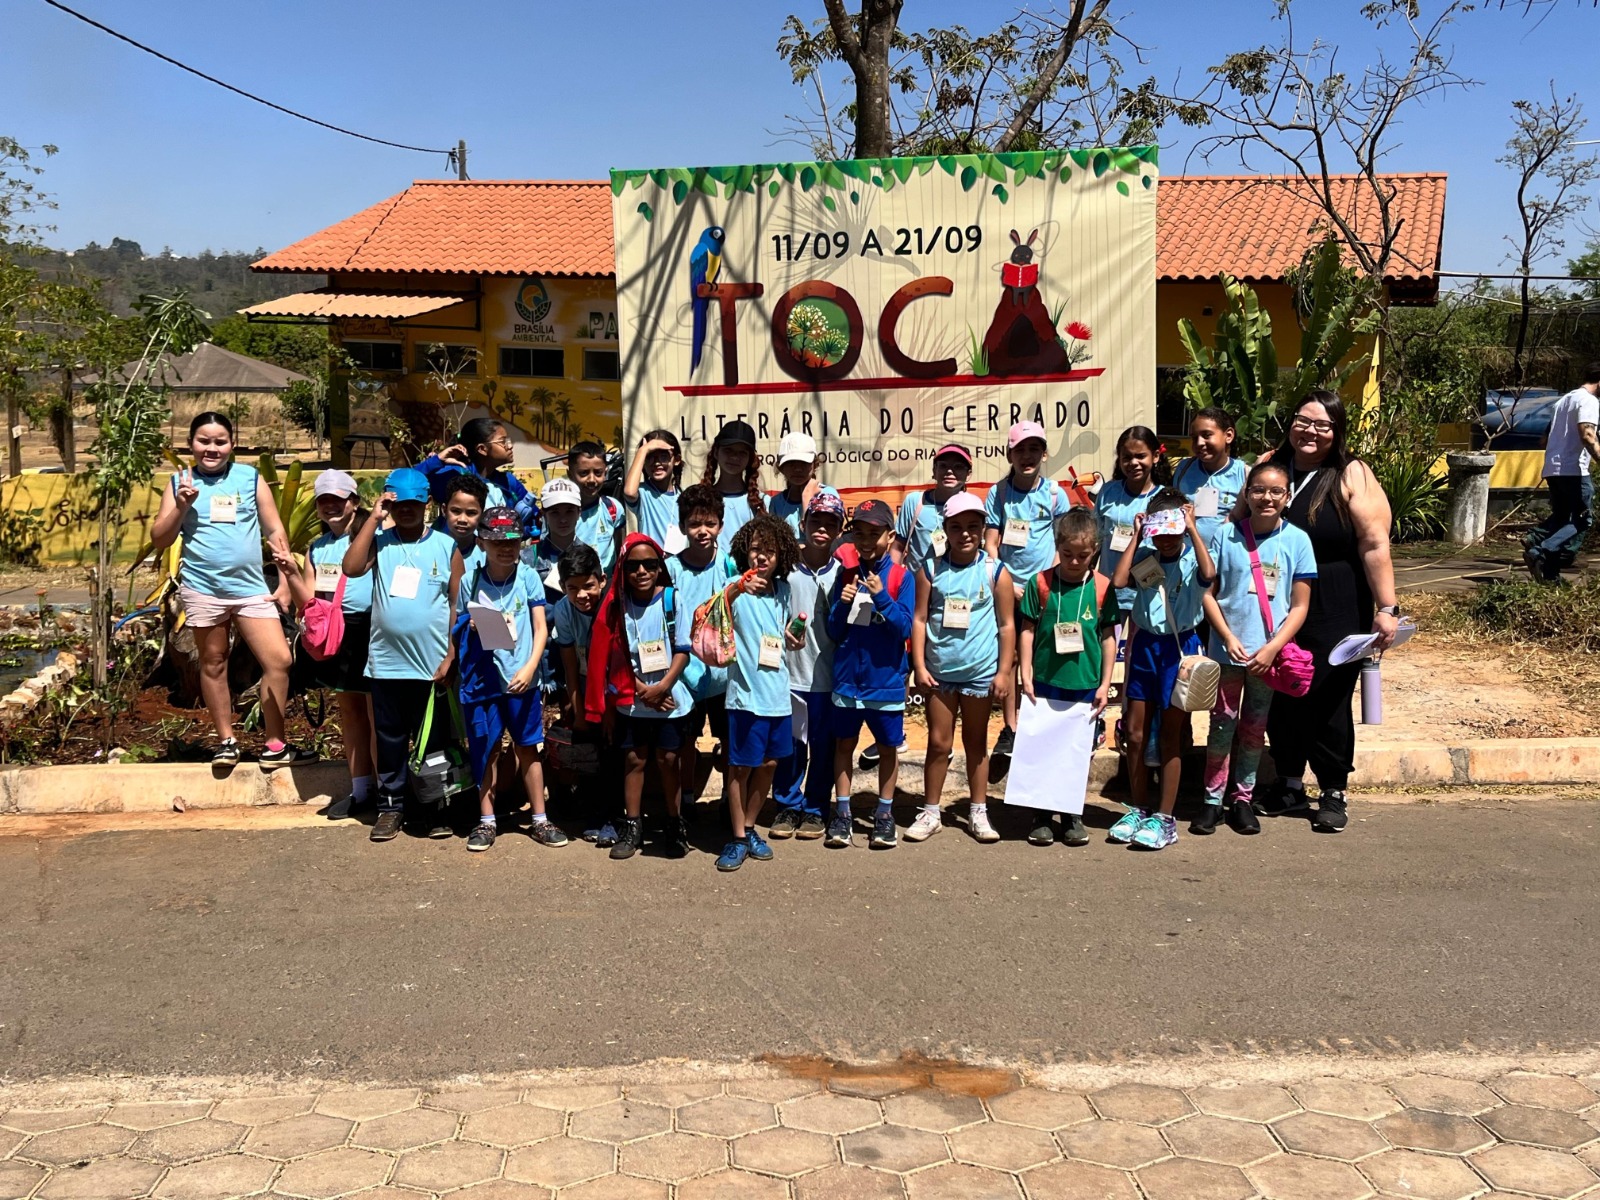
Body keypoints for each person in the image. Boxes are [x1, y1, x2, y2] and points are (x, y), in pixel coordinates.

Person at [1258, 391, 1399, 833]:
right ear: (1290, 423)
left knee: (1328, 693)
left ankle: (1333, 790)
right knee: (1281, 688)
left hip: (1337, 597)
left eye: (1322, 425)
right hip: (1277, 595)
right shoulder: (1271, 463)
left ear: (1336, 431)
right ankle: (1288, 782)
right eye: (1303, 421)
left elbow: (1375, 543)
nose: (1310, 432)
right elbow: (1240, 522)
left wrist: (1388, 607)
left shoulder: (1350, 472)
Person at [150, 411, 311, 768]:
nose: (212, 448)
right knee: (213, 662)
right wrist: (181, 507)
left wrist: (285, 580)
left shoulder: (249, 478)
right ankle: (226, 741)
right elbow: (160, 539)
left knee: (280, 660)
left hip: (251, 589)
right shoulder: (179, 483)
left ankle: (275, 744)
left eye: (219, 441)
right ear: (191, 444)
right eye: (203, 441)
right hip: (203, 590)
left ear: (231, 445)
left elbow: (274, 531)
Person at [1196, 461, 1317, 836]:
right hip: (1228, 652)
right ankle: (1211, 801)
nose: (1267, 498)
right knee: (1221, 725)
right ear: (1246, 495)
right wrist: (1228, 638)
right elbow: (1208, 594)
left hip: (1269, 658)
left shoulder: (1297, 541)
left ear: (1288, 497)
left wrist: (1272, 648)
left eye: (1276, 491)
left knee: (1253, 728)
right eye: (1259, 490)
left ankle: (1242, 800)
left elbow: (1299, 606)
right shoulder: (1225, 535)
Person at [342, 468, 462, 842]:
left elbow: (457, 605)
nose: (407, 511)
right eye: (399, 505)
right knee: (391, 740)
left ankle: (435, 808)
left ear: (426, 504)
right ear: (389, 503)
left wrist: (451, 655)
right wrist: (374, 519)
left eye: (414, 504)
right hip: (387, 664)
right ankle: (390, 808)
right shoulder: (381, 542)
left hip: (431, 667)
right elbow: (350, 567)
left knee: (435, 743)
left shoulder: (446, 546)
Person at [1108, 488, 1216, 851]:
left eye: (1174, 530)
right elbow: (1119, 581)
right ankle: (1140, 808)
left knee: (1172, 734)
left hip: (1178, 649)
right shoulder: (1145, 557)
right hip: (1145, 649)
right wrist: (1138, 535)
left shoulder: (1191, 557)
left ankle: (1166, 818)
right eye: (1161, 531)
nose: (1167, 540)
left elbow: (1208, 574)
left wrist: (1193, 529)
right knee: (1135, 733)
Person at [454, 507, 565, 853]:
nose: (506, 549)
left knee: (527, 747)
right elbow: (456, 625)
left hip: (521, 680)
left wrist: (531, 667)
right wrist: (468, 627)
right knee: (486, 750)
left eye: (513, 542)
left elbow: (540, 628)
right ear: (482, 542)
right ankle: (486, 821)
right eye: (496, 542)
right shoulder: (470, 581)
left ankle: (539, 818)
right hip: (484, 682)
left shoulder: (529, 577)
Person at [909, 492, 1014, 844]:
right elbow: (920, 619)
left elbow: (1006, 625)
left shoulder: (995, 572)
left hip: (979, 673)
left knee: (976, 742)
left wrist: (1002, 672)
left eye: (973, 526)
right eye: (956, 527)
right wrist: (919, 665)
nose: (965, 534)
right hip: (940, 674)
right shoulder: (931, 570)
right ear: (945, 530)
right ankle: (931, 811)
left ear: (984, 529)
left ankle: (978, 810)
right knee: (938, 743)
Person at [585, 533, 693, 860]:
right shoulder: (619, 606)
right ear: (623, 569)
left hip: (669, 699)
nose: (642, 572)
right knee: (634, 760)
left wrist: (661, 687)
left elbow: (683, 651)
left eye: (650, 564)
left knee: (669, 761)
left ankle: (675, 824)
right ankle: (632, 826)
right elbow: (614, 654)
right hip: (633, 701)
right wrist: (640, 690)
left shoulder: (673, 600)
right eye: (633, 566)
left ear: (660, 567)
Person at [1014, 510, 1116, 847]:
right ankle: (1041, 815)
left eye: (1083, 556)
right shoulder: (1040, 583)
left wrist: (1104, 684)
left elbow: (1107, 637)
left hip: (1084, 682)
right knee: (1044, 746)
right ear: (1057, 546)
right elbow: (1027, 630)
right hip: (1045, 680)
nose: (1074, 561)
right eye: (1067, 553)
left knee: (1075, 751)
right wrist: (1025, 672)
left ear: (1096, 551)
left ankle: (1072, 813)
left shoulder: (1101, 587)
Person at [713, 514, 801, 871]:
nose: (761, 557)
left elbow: (786, 639)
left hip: (777, 696)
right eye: (755, 549)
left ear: (782, 555)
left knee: (768, 765)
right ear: (743, 552)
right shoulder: (733, 586)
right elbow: (711, 615)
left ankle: (749, 827)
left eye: (769, 550)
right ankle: (735, 837)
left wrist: (796, 638)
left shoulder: (785, 591)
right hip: (744, 697)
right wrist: (735, 590)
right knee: (739, 768)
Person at [983, 421, 1071, 771]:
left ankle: (1040, 723)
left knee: (1043, 658)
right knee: (1012, 659)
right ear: (1010, 454)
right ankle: (1011, 727)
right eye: (1020, 449)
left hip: (1046, 589)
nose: (1027, 456)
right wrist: (1004, 581)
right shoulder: (999, 493)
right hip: (1008, 589)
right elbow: (990, 542)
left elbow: (1063, 541)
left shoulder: (1054, 493)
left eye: (1034, 449)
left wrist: (1044, 581)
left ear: (1044, 454)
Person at [826, 499, 914, 850]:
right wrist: (843, 603)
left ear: (890, 536)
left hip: (886, 683)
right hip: (847, 681)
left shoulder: (901, 577)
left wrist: (882, 600)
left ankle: (884, 814)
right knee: (843, 745)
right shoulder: (844, 575)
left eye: (874, 534)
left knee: (889, 749)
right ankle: (843, 813)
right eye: (858, 533)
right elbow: (834, 630)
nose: (865, 541)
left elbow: (904, 628)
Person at [300, 469, 375, 816]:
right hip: (335, 634)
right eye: (323, 500)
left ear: (354, 502)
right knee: (349, 710)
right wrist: (288, 570)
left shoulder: (375, 537)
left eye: (338, 499)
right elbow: (307, 595)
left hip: (370, 629)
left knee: (378, 713)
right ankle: (361, 789)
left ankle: (389, 789)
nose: (330, 506)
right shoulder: (316, 548)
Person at [769, 491, 843, 840]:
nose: (822, 529)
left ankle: (815, 808)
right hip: (788, 678)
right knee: (790, 747)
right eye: (816, 521)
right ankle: (787, 804)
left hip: (827, 679)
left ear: (841, 530)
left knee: (823, 748)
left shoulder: (844, 575)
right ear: (803, 524)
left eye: (831, 523)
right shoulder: (784, 573)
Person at [668, 484, 740, 810]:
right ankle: (685, 800)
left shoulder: (731, 567)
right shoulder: (669, 570)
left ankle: (728, 799)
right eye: (695, 524)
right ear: (683, 527)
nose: (703, 531)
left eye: (710, 523)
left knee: (729, 740)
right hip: (684, 676)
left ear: (720, 526)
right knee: (685, 741)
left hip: (727, 677)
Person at [547, 543, 616, 843]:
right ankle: (596, 814)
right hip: (587, 682)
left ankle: (617, 816)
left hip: (616, 685)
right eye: (572, 588)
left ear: (602, 580)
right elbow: (569, 664)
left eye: (588, 586)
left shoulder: (615, 604)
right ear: (562, 586)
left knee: (615, 751)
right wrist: (575, 705)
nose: (581, 595)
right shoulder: (563, 610)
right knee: (589, 749)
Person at [1525, 362, 1600, 582]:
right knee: (1583, 520)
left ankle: (1550, 576)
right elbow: (1587, 435)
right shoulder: (1588, 401)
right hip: (1573, 470)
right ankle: (1540, 550)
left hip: (1553, 469)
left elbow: (1546, 438)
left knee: (1560, 520)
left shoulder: (1564, 400)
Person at [418, 417, 536, 529]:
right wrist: (436, 461)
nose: (510, 446)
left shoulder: (508, 482)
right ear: (482, 449)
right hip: (455, 549)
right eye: (503, 441)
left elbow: (534, 518)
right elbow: (406, 483)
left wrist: (515, 532)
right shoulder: (455, 476)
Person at [1173, 408, 1247, 551]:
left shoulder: (1243, 474)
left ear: (1229, 435)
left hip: (1226, 556)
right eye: (1194, 438)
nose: (1199, 443)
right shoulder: (1184, 468)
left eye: (1207, 435)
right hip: (1187, 556)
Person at [893, 443, 973, 572]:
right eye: (943, 466)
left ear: (968, 474)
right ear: (934, 471)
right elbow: (897, 548)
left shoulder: (973, 507)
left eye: (958, 467)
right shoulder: (915, 502)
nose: (949, 471)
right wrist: (893, 583)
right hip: (917, 588)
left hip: (956, 587)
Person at [701, 420, 765, 553]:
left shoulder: (762, 502)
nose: (735, 457)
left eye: (742, 453)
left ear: (750, 459)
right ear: (716, 452)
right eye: (728, 450)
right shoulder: (700, 498)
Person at [623, 429, 685, 551]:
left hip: (678, 567)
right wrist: (643, 450)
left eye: (663, 456)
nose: (657, 462)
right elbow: (629, 492)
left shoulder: (684, 497)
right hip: (651, 566)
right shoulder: (643, 493)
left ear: (676, 460)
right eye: (650, 456)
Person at [569, 440, 625, 573]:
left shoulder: (613, 508)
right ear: (571, 474)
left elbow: (619, 546)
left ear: (605, 472)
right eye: (584, 473)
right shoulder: (562, 512)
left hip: (607, 583)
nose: (592, 479)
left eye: (598, 473)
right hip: (574, 584)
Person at [523, 477, 582, 598]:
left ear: (579, 512)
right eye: (555, 512)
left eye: (569, 511)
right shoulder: (527, 557)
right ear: (543, 514)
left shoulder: (589, 556)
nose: (563, 519)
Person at [768, 432, 825, 537]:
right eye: (791, 464)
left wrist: (807, 497)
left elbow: (819, 539)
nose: (798, 469)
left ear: (815, 464)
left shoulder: (827, 495)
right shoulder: (775, 503)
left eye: (804, 463)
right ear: (781, 467)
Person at [441, 474, 489, 566]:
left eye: (471, 513)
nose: (462, 519)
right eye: (456, 511)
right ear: (444, 510)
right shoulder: (432, 549)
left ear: (482, 515)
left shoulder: (488, 555)